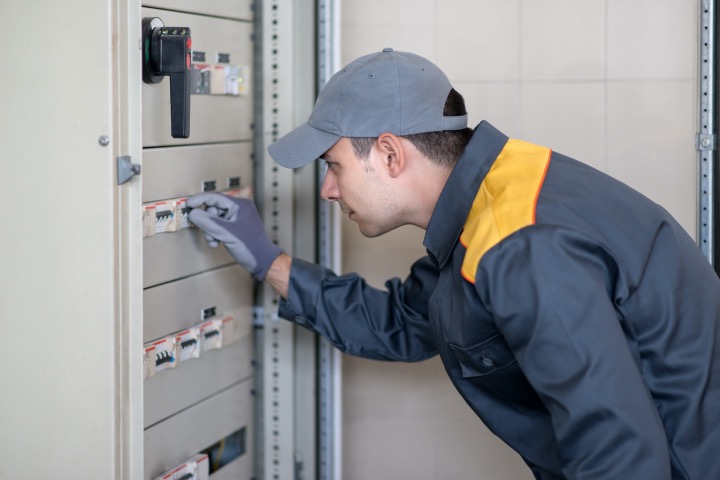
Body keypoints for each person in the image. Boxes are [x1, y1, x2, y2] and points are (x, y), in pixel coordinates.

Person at [186, 48, 720, 479]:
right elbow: (404, 322)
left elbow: (619, 454)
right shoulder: (490, 199)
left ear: (392, 155)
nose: (327, 189)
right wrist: (266, 259)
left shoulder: (521, 245)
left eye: (334, 166)